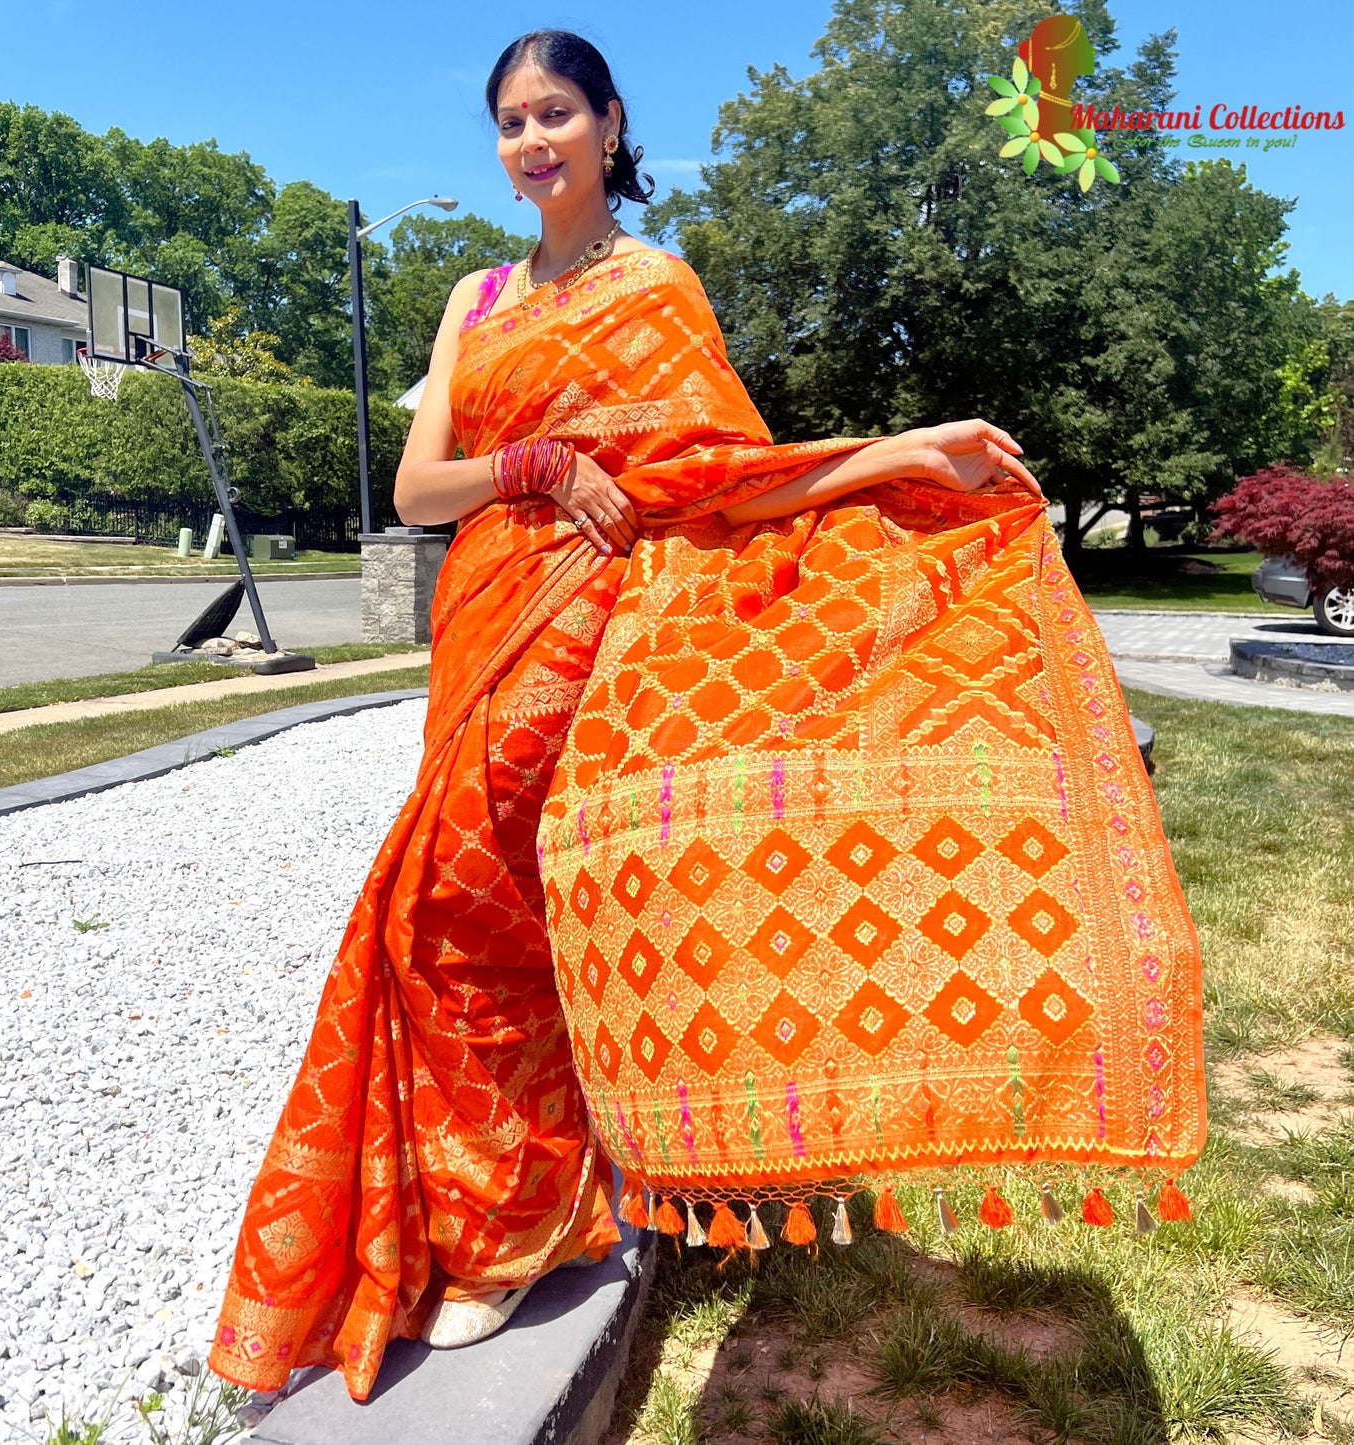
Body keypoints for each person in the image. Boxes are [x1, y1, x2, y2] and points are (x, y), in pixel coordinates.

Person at [208, 27, 1204, 1404]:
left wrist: (897, 454)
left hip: (590, 626)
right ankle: (513, 1202)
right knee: (465, 914)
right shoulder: (474, 294)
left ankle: (507, 1227)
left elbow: (715, 475)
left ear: (610, 126)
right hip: (485, 615)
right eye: (509, 121)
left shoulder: (655, 283)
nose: (530, 140)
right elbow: (420, 489)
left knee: (467, 908)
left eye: (554, 112)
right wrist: (537, 460)